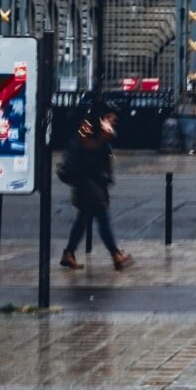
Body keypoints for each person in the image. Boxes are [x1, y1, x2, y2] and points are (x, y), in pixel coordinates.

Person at [59, 110, 132, 271]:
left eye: (113, 120)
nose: (112, 123)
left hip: (93, 185)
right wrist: (104, 138)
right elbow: (89, 155)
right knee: (103, 219)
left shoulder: (100, 135)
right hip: (89, 186)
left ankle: (69, 253)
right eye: (109, 119)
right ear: (100, 119)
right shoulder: (88, 133)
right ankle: (115, 254)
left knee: (83, 219)